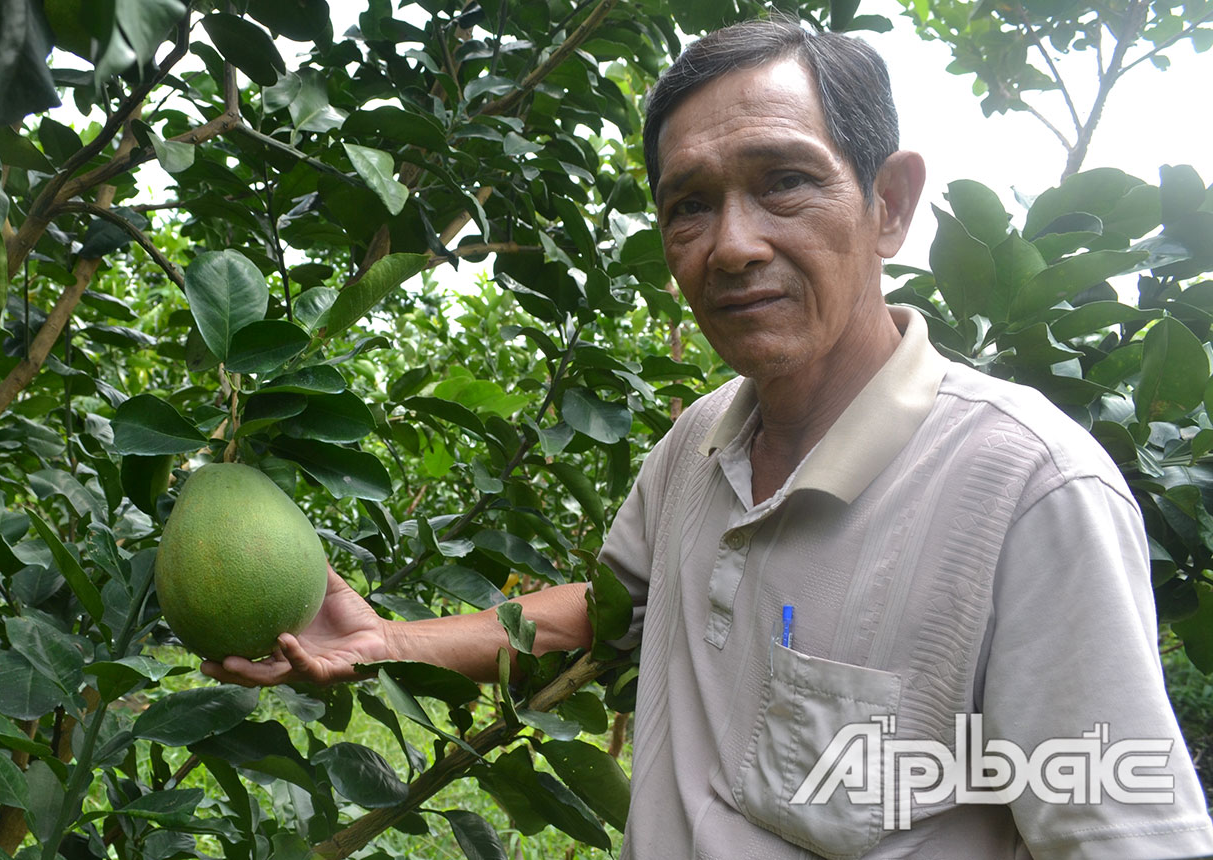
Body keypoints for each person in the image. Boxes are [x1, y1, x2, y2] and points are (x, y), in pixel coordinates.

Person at [204, 17, 1213, 860]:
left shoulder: (1029, 490)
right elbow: (604, 612)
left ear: (890, 203)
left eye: (784, 182)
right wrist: (387, 642)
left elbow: (1118, 833)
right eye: (689, 205)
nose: (731, 244)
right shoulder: (695, 446)